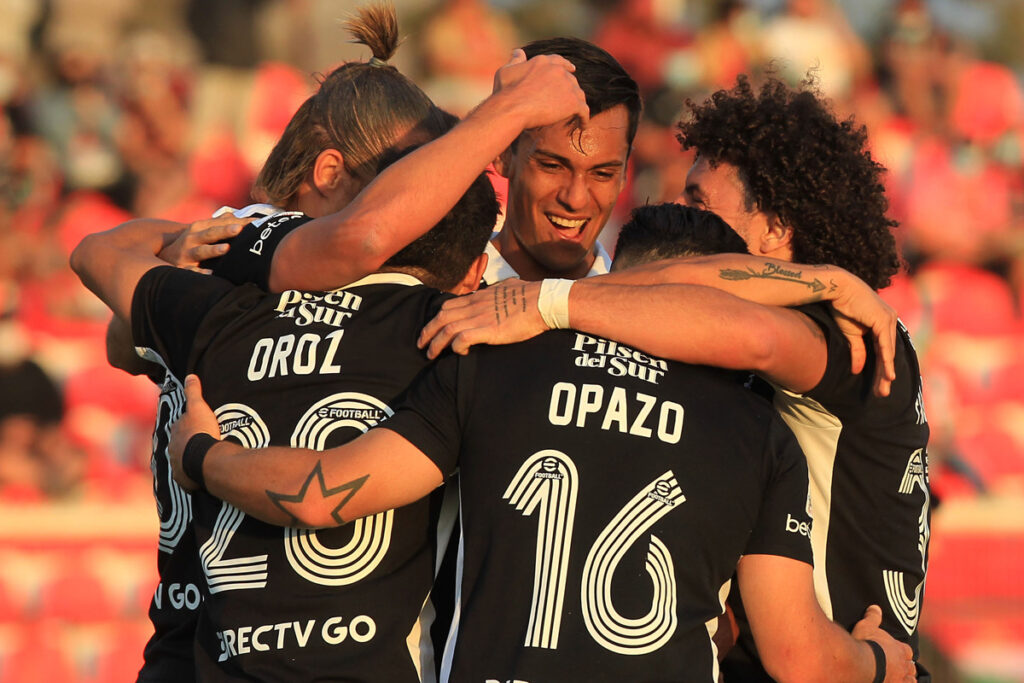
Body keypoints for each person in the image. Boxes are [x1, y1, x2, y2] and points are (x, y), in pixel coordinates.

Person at [162, 206, 917, 682]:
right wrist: (883, 661)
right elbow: (801, 659)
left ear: (619, 278)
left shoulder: (492, 359)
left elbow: (326, 492)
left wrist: (205, 458)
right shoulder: (759, 433)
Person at [95, 4, 588, 679]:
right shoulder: (390, 304)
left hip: (190, 650)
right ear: (331, 176)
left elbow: (121, 337)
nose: (419, 208)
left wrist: (173, 246)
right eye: (403, 187)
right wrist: (505, 113)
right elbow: (362, 236)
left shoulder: (210, 276)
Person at [420, 75, 932, 680]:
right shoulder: (738, 351)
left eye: (699, 201)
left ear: (774, 230)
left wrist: (544, 304)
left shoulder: (848, 328)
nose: (678, 214)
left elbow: (753, 334)